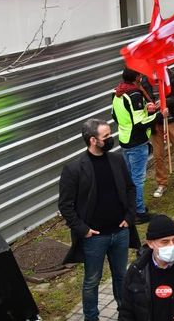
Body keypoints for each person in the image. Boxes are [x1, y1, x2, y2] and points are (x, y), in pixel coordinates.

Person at [60, 119, 139, 320]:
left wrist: (129, 217)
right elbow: (65, 206)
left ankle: (125, 313)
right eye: (106, 136)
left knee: (121, 276)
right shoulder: (74, 169)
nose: (111, 138)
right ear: (93, 140)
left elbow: (130, 188)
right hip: (94, 238)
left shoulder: (117, 159)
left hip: (120, 232)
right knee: (92, 281)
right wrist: (83, 229)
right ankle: (91, 317)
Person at [111, 68, 157, 222]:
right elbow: (140, 123)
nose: (142, 76)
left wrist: (145, 109)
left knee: (129, 177)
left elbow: (114, 115)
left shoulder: (117, 92)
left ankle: (129, 207)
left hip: (124, 140)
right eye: (140, 74)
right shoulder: (135, 94)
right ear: (136, 77)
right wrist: (157, 115)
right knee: (138, 178)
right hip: (137, 142)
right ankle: (139, 212)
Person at [141, 68, 174, 199]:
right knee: (158, 155)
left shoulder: (172, 76)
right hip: (155, 122)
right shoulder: (145, 79)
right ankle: (161, 184)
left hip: (173, 121)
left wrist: (167, 103)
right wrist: (148, 107)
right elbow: (142, 102)